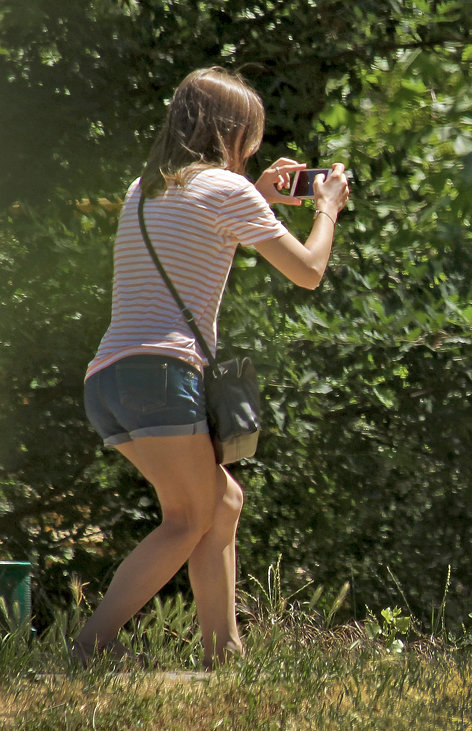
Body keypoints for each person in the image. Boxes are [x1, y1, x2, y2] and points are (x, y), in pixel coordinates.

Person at [72, 67, 350, 670]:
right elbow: (307, 271)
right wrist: (324, 208)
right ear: (232, 131)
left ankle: (224, 653)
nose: (252, 149)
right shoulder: (228, 190)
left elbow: (199, 226)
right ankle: (92, 643)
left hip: (111, 379)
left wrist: (264, 196)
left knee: (221, 501)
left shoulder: (143, 189)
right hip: (161, 374)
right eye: (249, 136)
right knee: (189, 516)